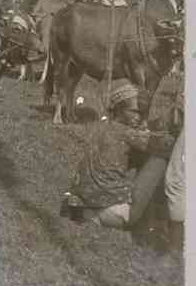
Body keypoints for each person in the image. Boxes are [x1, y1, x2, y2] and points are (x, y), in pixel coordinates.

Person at [61, 82, 178, 230]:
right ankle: (160, 220)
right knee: (160, 158)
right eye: (134, 112)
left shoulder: (104, 127)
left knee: (140, 156)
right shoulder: (126, 133)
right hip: (110, 213)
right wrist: (174, 128)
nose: (139, 118)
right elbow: (166, 144)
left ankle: (154, 216)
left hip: (80, 204)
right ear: (119, 110)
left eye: (142, 113)